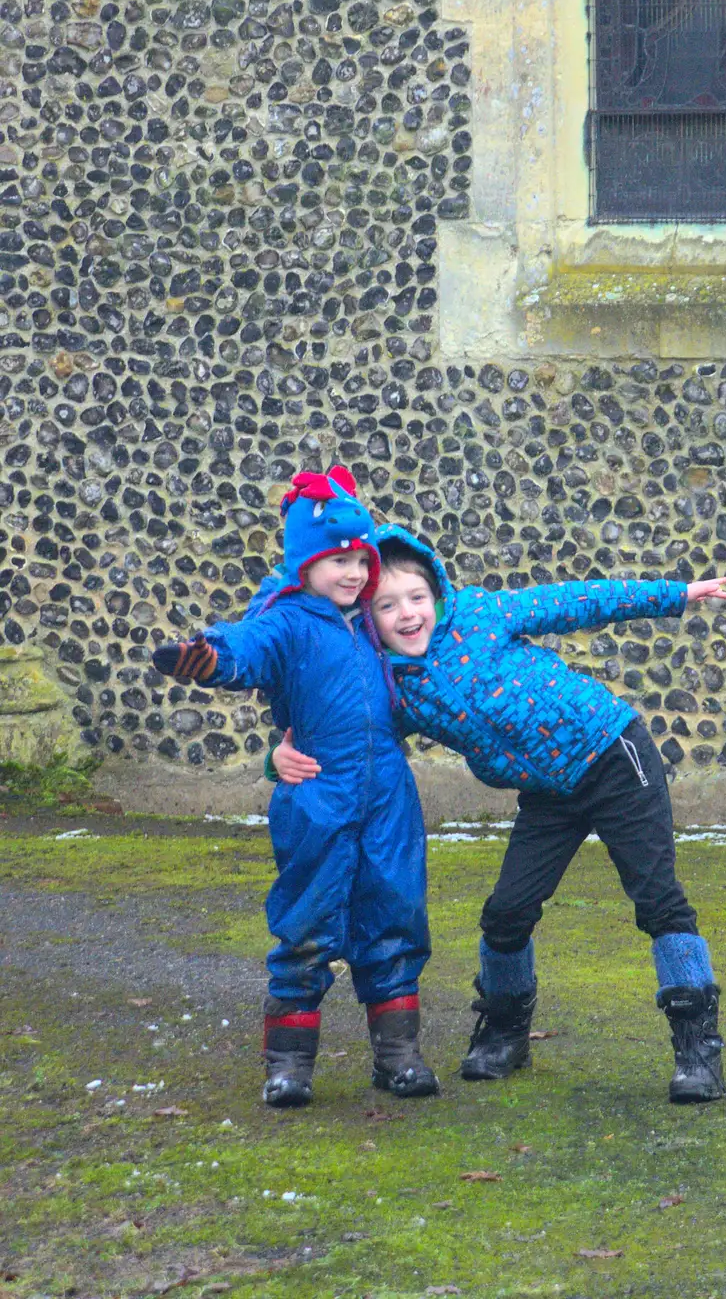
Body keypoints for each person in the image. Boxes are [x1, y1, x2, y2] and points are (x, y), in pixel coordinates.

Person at [272, 526, 726, 1105]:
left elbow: (580, 601)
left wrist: (678, 594)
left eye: (416, 597)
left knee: (658, 900)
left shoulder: (482, 615)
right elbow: (346, 736)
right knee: (506, 914)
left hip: (615, 756)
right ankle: (505, 1031)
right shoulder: (393, 688)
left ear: (436, 593)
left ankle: (698, 1050)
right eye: (387, 606)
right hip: (548, 792)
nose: (408, 614)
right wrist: (278, 756)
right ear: (370, 619)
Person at [151, 470, 438, 1109]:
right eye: (338, 559)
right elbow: (250, 644)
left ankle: (398, 1055)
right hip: (316, 791)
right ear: (304, 563)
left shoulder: (375, 619)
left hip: (389, 794)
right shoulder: (288, 621)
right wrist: (214, 657)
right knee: (308, 917)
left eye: (360, 558)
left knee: (395, 911)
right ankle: (288, 1063)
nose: (355, 572)